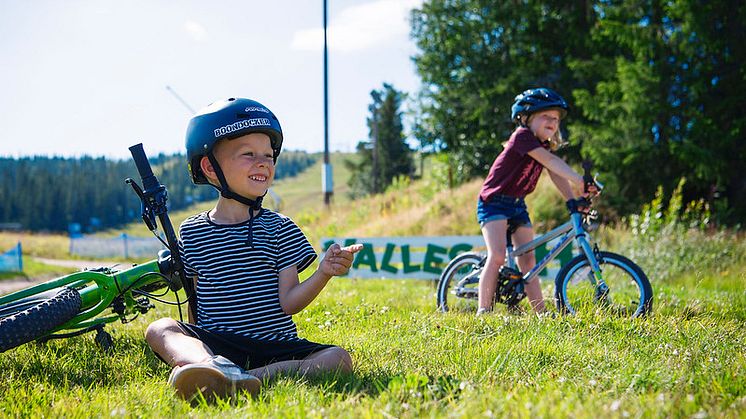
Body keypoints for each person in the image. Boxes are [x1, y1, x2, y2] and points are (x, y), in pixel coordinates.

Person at [144, 97, 363, 401]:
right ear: (209, 167)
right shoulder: (191, 232)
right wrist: (198, 347)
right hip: (220, 347)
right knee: (160, 328)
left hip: (275, 346)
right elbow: (197, 304)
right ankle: (208, 366)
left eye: (269, 155)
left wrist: (323, 273)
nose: (263, 162)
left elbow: (289, 303)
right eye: (248, 154)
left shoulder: (280, 228)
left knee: (338, 358)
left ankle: (243, 378)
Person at [476, 88, 594, 315]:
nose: (552, 121)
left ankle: (540, 312)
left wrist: (571, 199)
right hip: (494, 202)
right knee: (498, 255)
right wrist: (579, 180)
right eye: (546, 116)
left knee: (528, 260)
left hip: (517, 204)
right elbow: (549, 160)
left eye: (556, 119)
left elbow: (554, 171)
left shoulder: (544, 146)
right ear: (526, 118)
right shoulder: (522, 137)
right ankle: (484, 310)